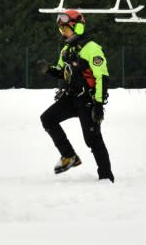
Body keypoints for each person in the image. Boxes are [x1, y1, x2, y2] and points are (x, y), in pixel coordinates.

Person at [37, 10, 114, 182]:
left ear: (77, 27)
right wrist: (48, 69)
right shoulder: (65, 50)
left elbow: (102, 77)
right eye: (61, 29)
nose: (63, 32)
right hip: (71, 98)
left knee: (92, 139)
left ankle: (106, 177)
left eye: (66, 28)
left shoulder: (91, 48)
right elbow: (63, 72)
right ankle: (69, 156)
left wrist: (99, 104)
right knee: (48, 119)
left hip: (88, 100)